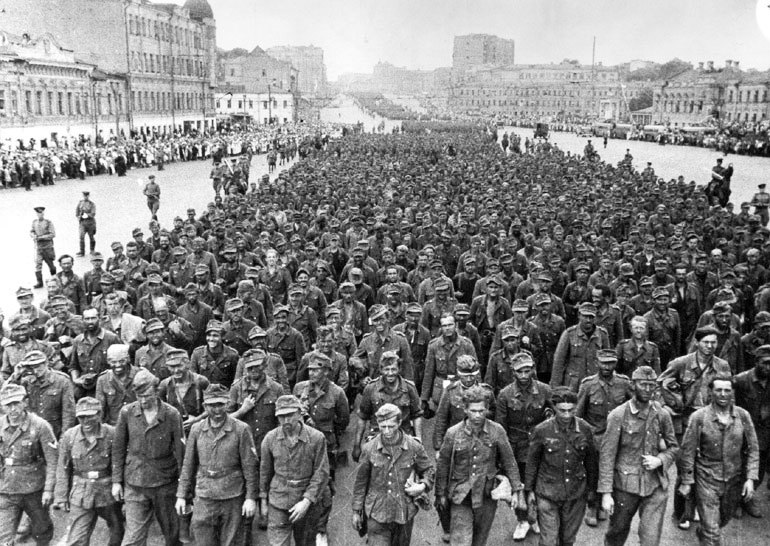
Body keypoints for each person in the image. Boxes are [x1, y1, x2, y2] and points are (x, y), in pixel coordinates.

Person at [599, 366, 679, 546]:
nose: (648, 389)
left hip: (655, 485)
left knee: (650, 539)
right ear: (633, 386)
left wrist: (660, 460)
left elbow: (674, 447)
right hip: (625, 487)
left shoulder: (662, 414)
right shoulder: (618, 415)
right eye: (643, 385)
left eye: (651, 385)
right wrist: (606, 493)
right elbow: (607, 456)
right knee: (617, 533)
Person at [435, 384, 524, 546]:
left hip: (486, 494)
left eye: (481, 411)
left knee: (479, 540)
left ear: (487, 409)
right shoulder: (453, 433)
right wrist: (440, 494)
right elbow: (443, 465)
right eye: (473, 411)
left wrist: (517, 490)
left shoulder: (497, 431)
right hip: (460, 494)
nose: (477, 415)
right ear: (465, 410)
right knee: (461, 540)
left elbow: (510, 462)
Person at [678, 375, 759, 545]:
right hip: (706, 478)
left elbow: (753, 448)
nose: (723, 394)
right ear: (711, 392)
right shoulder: (699, 417)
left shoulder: (743, 416)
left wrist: (750, 478)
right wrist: (687, 480)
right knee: (713, 532)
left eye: (727, 390)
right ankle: (708, 533)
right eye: (718, 390)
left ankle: (704, 531)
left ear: (732, 393)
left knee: (722, 520)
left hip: (733, 480)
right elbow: (687, 451)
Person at [175, 384, 258, 546]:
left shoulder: (241, 430)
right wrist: (181, 495)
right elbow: (188, 464)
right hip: (205, 495)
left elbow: (250, 467)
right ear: (205, 406)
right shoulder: (197, 430)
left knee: (232, 541)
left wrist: (250, 498)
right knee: (203, 539)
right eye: (212, 405)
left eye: (221, 404)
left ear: (227, 404)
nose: (217, 410)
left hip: (232, 494)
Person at [112, 368, 185, 546]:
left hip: (165, 483)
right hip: (135, 481)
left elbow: (181, 453)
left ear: (156, 391)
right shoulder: (127, 413)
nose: (143, 400)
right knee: (133, 538)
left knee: (172, 535)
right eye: (139, 396)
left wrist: (184, 489)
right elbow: (118, 447)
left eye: (147, 395)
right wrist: (116, 481)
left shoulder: (171, 414)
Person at [351, 403, 434, 546]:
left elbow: (428, 470)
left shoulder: (414, 446)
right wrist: (356, 511)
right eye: (383, 427)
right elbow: (360, 482)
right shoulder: (370, 448)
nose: (387, 431)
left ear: (400, 422)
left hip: (404, 512)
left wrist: (422, 486)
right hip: (377, 512)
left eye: (391, 426)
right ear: (378, 424)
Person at [525, 387, 597, 546]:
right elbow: (532, 462)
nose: (566, 415)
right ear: (554, 408)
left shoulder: (585, 429)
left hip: (575, 493)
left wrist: (593, 491)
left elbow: (592, 462)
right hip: (547, 493)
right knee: (549, 541)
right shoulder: (542, 430)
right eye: (562, 410)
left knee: (568, 539)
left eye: (571, 410)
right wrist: (529, 491)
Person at [293, 352, 349, 544]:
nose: (312, 373)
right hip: (303, 445)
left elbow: (343, 420)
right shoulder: (300, 389)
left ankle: (321, 528)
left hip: (326, 445)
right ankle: (306, 525)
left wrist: (329, 434)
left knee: (325, 489)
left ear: (326, 371)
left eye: (316, 370)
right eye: (310, 369)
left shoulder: (336, 392)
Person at [259, 394, 330, 546]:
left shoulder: (316, 438)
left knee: (305, 542)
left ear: (299, 413)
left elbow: (321, 473)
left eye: (290, 415)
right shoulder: (270, 439)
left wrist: (307, 501)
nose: (286, 421)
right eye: (281, 416)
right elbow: (265, 472)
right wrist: (263, 502)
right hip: (278, 501)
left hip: (306, 502)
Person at [54, 397, 125, 546]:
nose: (86, 421)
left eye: (90, 416)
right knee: (77, 538)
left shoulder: (112, 434)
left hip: (107, 492)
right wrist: (61, 496)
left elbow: (119, 462)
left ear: (99, 414)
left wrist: (118, 485)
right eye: (81, 417)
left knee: (118, 532)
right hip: (81, 492)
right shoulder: (70, 436)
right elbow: (63, 468)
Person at [495, 350, 551, 540]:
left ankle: (534, 518)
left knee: (537, 484)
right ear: (513, 373)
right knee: (518, 486)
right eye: (520, 372)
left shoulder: (544, 390)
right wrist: (503, 453)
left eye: (528, 371)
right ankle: (522, 520)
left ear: (533, 370)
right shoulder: (505, 394)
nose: (524, 376)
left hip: (539, 446)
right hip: (516, 447)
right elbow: (500, 428)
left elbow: (552, 417)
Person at [575, 349, 632, 527]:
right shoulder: (588, 385)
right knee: (593, 472)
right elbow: (579, 414)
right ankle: (592, 505)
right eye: (603, 363)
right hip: (595, 437)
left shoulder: (624, 383)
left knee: (613, 471)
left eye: (611, 363)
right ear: (596, 363)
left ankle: (603, 503)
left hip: (618, 436)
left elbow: (633, 407)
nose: (606, 367)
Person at [0, 383, 58, 546]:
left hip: (34, 489)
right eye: (8, 405)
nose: (13, 409)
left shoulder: (40, 426)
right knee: (3, 537)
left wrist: (48, 490)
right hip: (7, 489)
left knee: (42, 532)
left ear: (25, 402)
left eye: (16, 403)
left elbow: (53, 461)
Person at [31, 206, 57, 288]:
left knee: (51, 265)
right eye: (38, 213)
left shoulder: (48, 222)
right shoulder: (34, 222)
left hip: (47, 247)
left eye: (41, 213)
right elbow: (31, 231)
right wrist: (33, 235)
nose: (39, 215)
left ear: (43, 213)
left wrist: (41, 237)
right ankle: (39, 282)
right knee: (38, 265)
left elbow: (52, 234)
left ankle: (54, 280)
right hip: (38, 248)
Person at [75, 190, 97, 257]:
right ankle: (82, 251)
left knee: (91, 237)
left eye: (86, 196)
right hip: (82, 223)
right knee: (81, 236)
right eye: (84, 196)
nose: (85, 197)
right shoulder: (80, 203)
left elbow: (93, 213)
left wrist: (87, 215)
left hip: (90, 223)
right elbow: (77, 211)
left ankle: (92, 250)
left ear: (88, 196)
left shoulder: (92, 204)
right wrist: (79, 216)